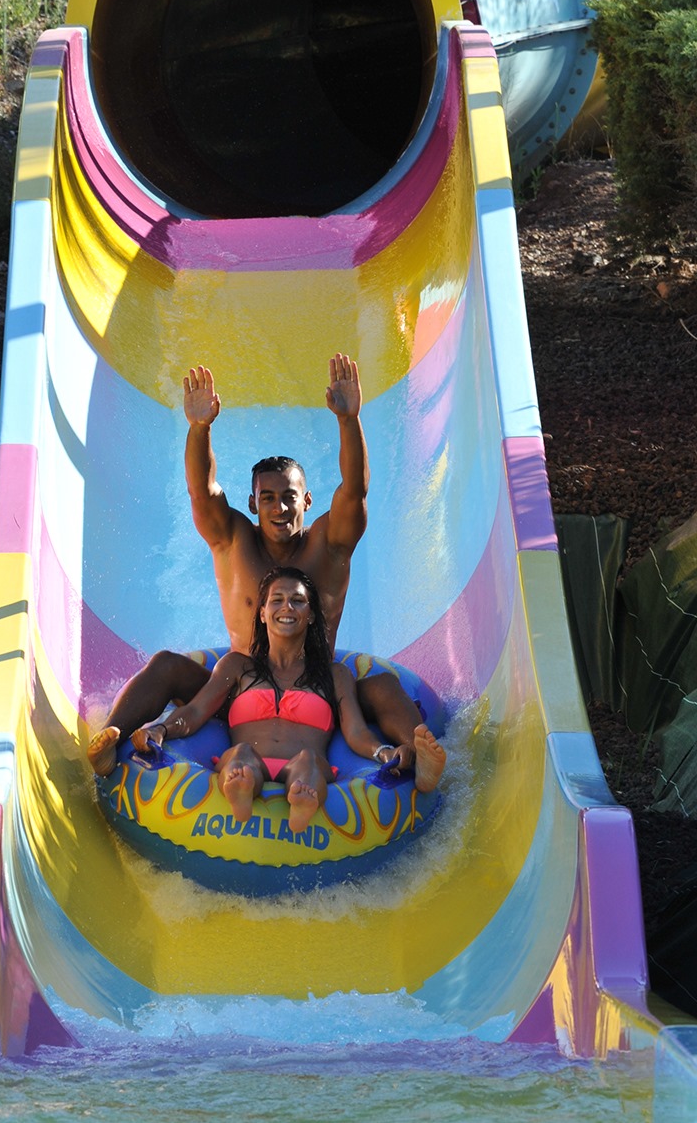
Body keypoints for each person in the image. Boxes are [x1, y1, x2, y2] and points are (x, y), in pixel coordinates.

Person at [87, 354, 446, 793]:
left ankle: (419, 757)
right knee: (165, 665)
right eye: (269, 498)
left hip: (317, 688)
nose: (280, 508)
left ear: (307, 501)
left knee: (385, 686)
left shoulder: (329, 546)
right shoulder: (233, 541)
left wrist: (348, 420)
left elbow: (355, 492)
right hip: (241, 687)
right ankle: (112, 739)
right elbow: (202, 493)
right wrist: (199, 429)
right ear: (253, 503)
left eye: (289, 497)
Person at [132, 568, 443, 833]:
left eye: (298, 600)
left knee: (308, 762)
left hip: (305, 765)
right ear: (263, 613)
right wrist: (161, 730)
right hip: (249, 758)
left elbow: (355, 732)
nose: (287, 607)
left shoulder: (334, 675)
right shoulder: (237, 667)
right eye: (277, 600)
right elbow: (196, 711)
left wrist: (384, 752)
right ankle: (241, 791)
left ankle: (302, 804)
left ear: (311, 615)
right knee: (240, 755)